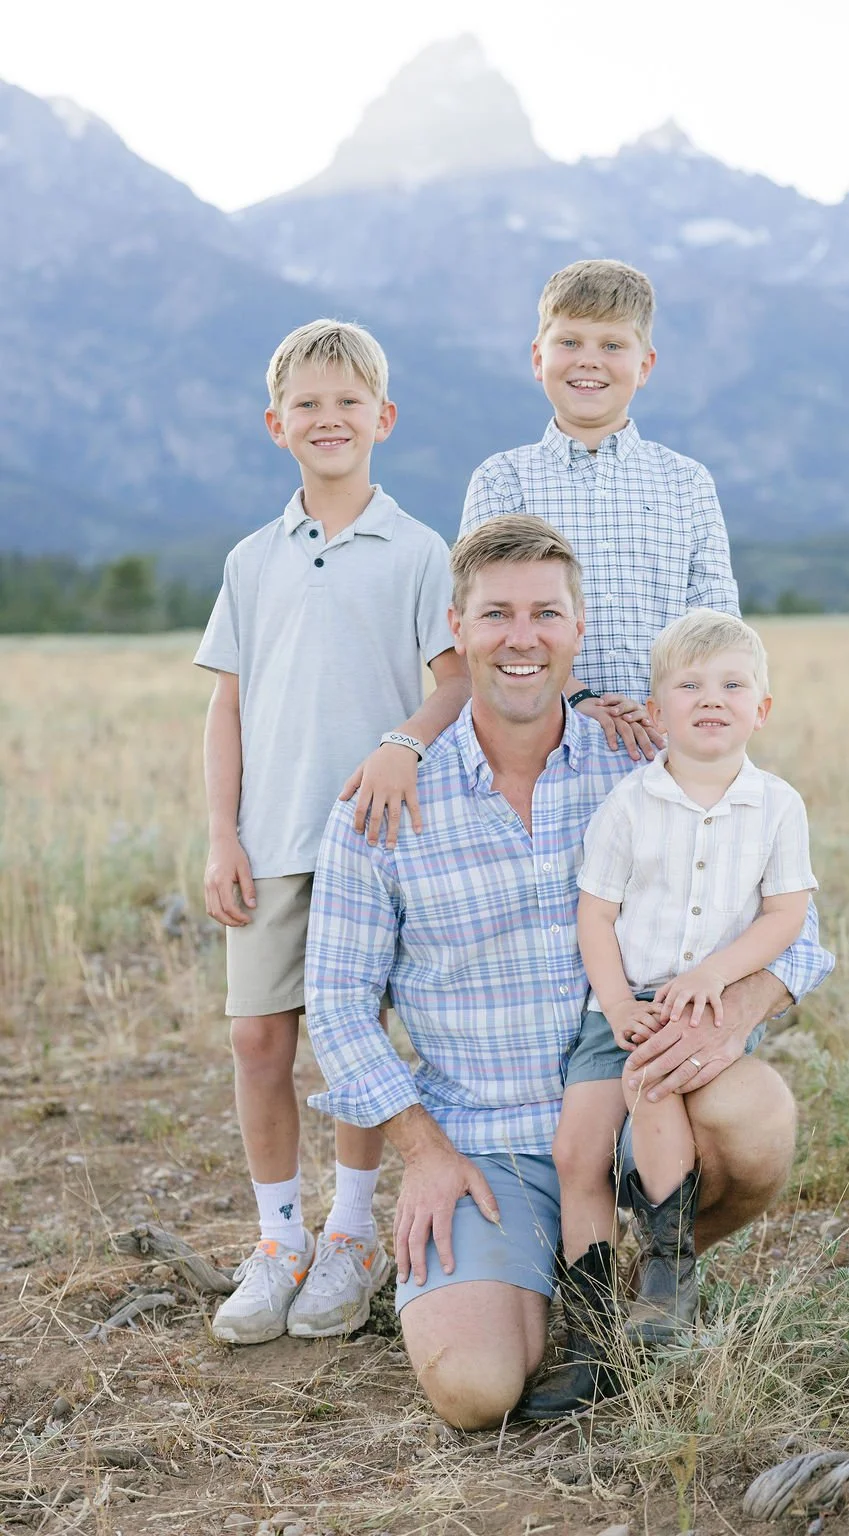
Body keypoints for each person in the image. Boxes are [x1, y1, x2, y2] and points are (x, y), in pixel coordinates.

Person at [304, 517, 833, 1429]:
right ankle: (547, 1279)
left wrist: (735, 1015)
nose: (522, 637)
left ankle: (649, 1273)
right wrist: (424, 1154)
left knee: (758, 1113)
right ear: (457, 630)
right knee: (474, 1391)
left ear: (578, 630)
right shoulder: (384, 805)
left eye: (546, 613)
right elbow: (339, 1008)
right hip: (485, 1141)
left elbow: (799, 930)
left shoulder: (643, 761)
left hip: (640, 1101)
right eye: (497, 614)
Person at [195, 318, 469, 1345]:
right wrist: (223, 835)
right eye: (307, 404)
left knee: (356, 1044)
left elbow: (455, 680)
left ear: (383, 419)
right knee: (259, 1036)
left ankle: (352, 1235)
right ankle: (278, 1239)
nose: (328, 419)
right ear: (276, 425)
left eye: (348, 402)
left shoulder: (417, 550)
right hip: (271, 839)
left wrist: (401, 742)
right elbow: (226, 706)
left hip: (377, 839)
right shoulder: (252, 558)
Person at [524, 608, 818, 1416]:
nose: (710, 698)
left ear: (762, 708)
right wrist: (617, 1004)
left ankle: (665, 1284)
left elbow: (785, 917)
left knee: (654, 1094)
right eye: (688, 685)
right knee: (575, 1148)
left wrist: (715, 978)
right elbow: (596, 914)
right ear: (656, 713)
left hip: (708, 1001)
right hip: (620, 1005)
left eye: (731, 684)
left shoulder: (776, 806)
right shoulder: (629, 804)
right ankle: (589, 1340)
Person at [459, 258, 739, 761]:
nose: (589, 360)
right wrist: (580, 698)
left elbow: (717, 626)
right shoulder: (502, 480)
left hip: (665, 744)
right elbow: (489, 619)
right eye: (569, 342)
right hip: (541, 746)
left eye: (612, 345)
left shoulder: (687, 482)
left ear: (645, 365)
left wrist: (669, 709)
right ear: (538, 358)